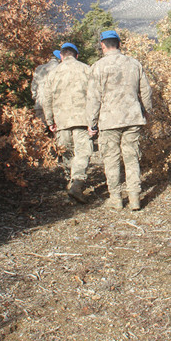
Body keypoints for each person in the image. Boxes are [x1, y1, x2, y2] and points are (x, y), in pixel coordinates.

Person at [87, 30, 152, 210]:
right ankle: (134, 198)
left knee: (111, 159)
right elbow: (146, 91)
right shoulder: (134, 64)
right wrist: (147, 111)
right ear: (119, 44)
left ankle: (116, 198)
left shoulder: (97, 67)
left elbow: (93, 98)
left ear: (102, 45)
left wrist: (91, 123)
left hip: (109, 121)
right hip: (132, 118)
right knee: (132, 158)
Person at [44, 43, 92, 204]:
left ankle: (69, 182)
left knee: (66, 151)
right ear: (76, 55)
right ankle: (77, 183)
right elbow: (94, 94)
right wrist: (94, 120)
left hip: (61, 119)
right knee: (83, 151)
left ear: (61, 56)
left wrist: (50, 121)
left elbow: (47, 99)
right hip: (82, 118)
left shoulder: (53, 73)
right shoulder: (86, 69)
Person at [31, 50, 61, 122]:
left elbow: (33, 87)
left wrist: (36, 97)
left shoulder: (39, 68)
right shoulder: (60, 69)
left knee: (40, 129)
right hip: (55, 106)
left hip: (40, 104)